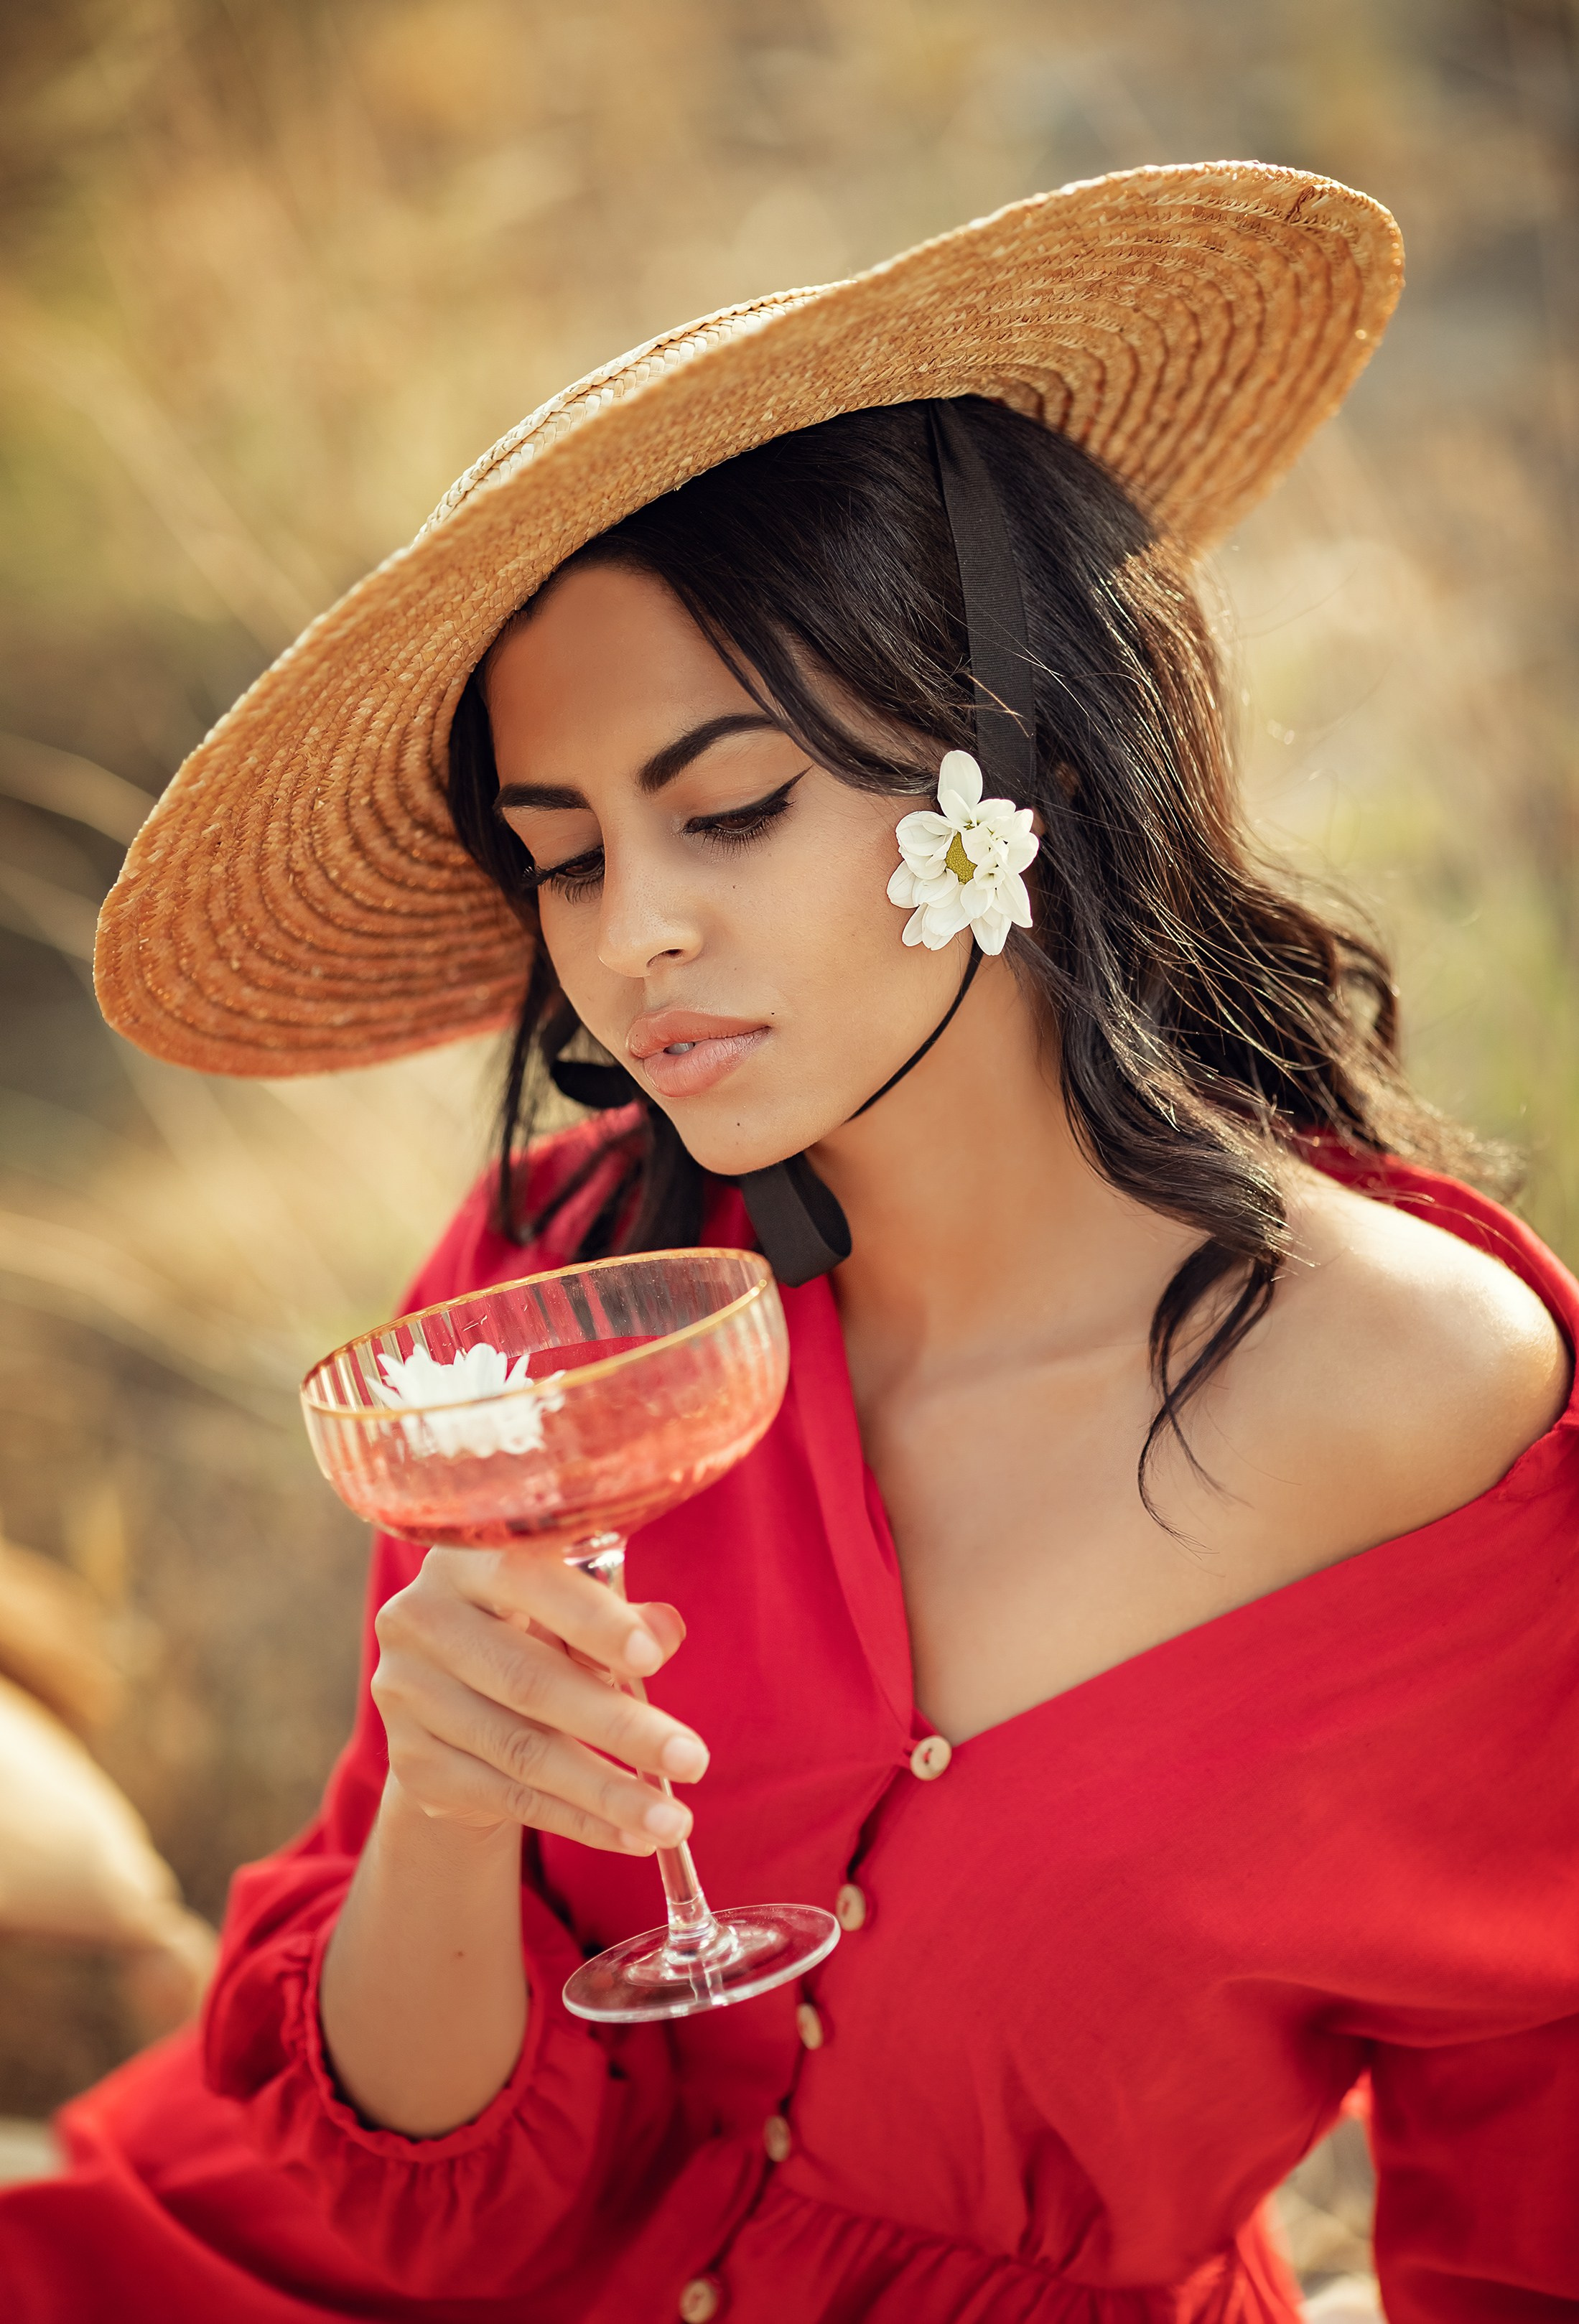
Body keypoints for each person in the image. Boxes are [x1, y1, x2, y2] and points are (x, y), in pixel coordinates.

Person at [6, 162, 1578, 2324]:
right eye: (566, 858)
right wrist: (445, 1806)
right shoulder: (554, 1294)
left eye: (729, 809)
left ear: (1020, 773)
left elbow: (1535, 2199)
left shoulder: (1436, 1410)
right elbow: (415, 2200)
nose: (632, 934)